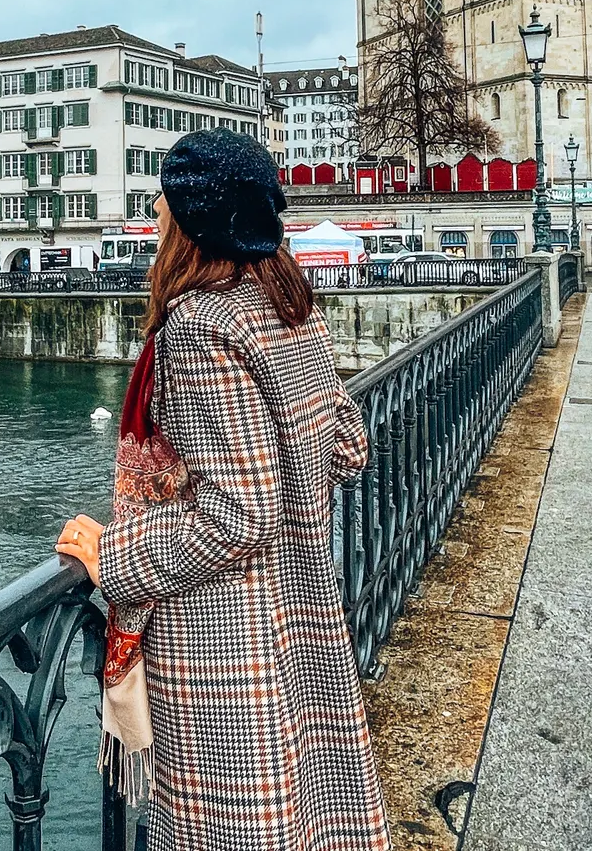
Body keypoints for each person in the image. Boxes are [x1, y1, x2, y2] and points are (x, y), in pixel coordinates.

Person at [57, 128, 391, 851]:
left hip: (226, 643)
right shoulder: (287, 306)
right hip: (300, 612)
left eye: (164, 203)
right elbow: (348, 444)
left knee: (233, 829)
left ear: (193, 220)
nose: (155, 214)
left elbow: (239, 514)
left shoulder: (202, 325)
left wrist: (112, 556)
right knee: (299, 816)